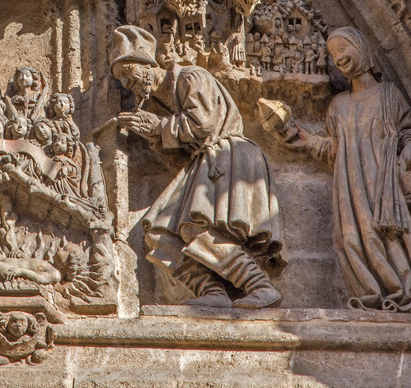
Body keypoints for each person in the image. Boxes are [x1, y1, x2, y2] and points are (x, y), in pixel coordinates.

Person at [266, 26, 411, 314]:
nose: (339, 57)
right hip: (351, 186)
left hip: (385, 181)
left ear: (362, 47)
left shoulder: (389, 94)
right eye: (333, 54)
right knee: (352, 238)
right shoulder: (338, 106)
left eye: (344, 48)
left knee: (392, 235)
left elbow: (409, 131)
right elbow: (336, 149)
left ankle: (406, 295)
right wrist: (305, 140)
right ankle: (371, 293)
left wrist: (409, 149)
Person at [110, 25, 285, 309]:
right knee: (157, 235)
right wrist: (153, 133)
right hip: (206, 161)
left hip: (228, 155)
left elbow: (202, 124)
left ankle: (260, 286)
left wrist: (157, 127)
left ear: (145, 65)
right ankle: (212, 291)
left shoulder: (192, 76)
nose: (126, 83)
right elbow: (181, 150)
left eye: (127, 73)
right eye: (121, 79)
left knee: (195, 228)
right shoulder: (164, 101)